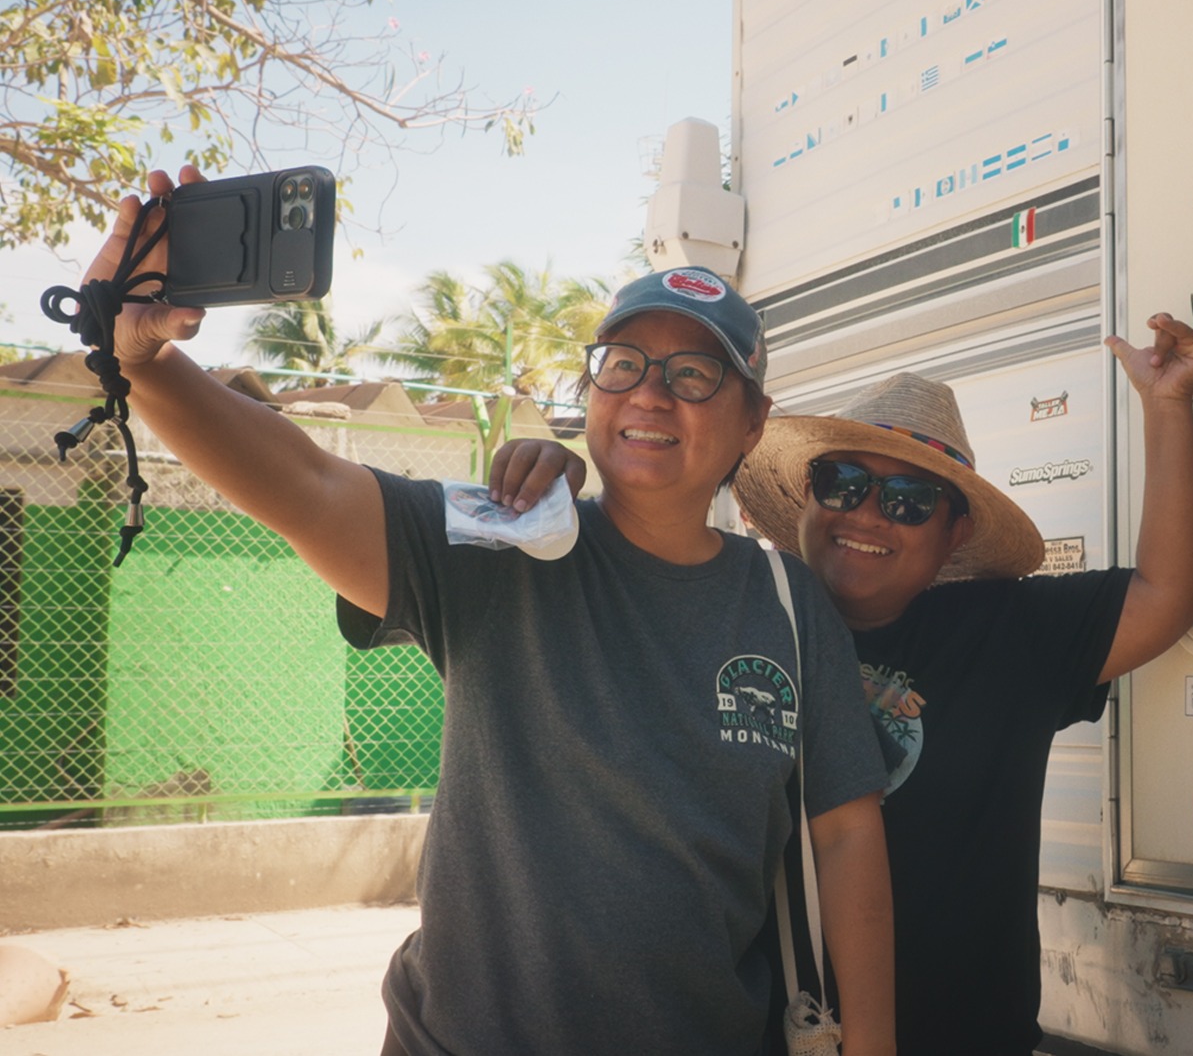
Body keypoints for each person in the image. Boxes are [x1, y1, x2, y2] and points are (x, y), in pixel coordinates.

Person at [83, 168, 896, 1056]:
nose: (650, 394)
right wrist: (141, 362)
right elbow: (310, 484)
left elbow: (846, 833)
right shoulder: (498, 543)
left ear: (753, 421)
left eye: (695, 374)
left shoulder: (786, 602)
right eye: (624, 365)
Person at [496, 311, 1193, 1054]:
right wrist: (557, 490)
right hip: (762, 1034)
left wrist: (1166, 407)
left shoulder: (1007, 631)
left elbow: (1165, 595)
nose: (868, 514)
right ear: (807, 498)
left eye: (909, 500)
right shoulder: (731, 613)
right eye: (841, 483)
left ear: (955, 532)